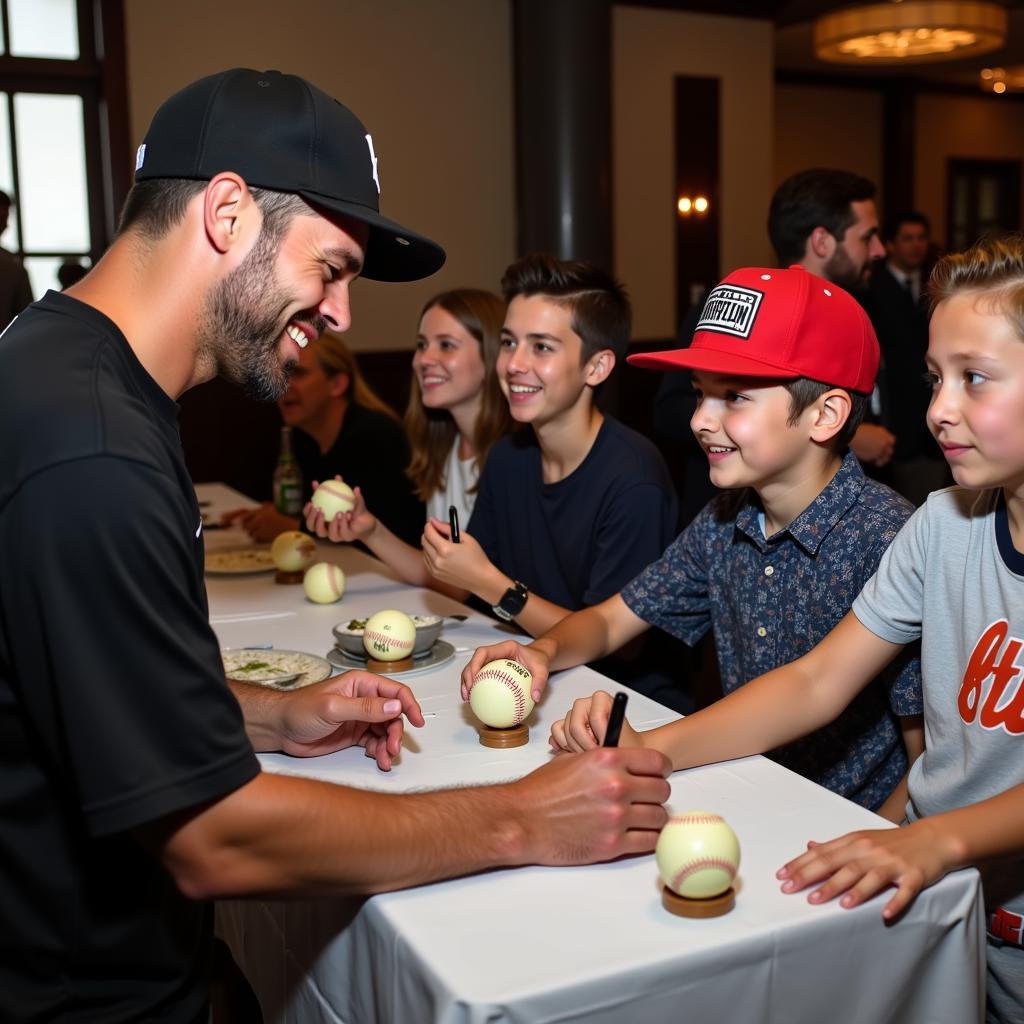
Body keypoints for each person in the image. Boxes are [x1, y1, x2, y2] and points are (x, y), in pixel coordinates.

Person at [0, 69, 671, 1022]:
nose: (343, 317)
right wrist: (527, 813)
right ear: (227, 213)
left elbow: (88, 684)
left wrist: (272, 716)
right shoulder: (92, 447)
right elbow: (214, 838)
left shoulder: (67, 369)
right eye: (332, 269)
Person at [550, 235, 1024, 1023]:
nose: (938, 409)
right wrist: (650, 751)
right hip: (951, 900)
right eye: (936, 378)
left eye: (974, 379)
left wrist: (932, 837)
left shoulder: (893, 521)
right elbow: (815, 681)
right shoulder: (942, 526)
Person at [465, 265, 923, 815]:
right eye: (699, 394)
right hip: (743, 791)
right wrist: (541, 652)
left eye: (734, 397)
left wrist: (879, 844)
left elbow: (925, 756)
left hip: (845, 822)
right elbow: (613, 619)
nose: (700, 420)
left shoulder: (888, 538)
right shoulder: (725, 516)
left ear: (824, 414)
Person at [420, 253, 686, 709]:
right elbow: (470, 583)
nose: (513, 364)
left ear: (596, 368)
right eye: (508, 342)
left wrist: (492, 584)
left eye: (541, 347)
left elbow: (621, 644)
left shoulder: (634, 480)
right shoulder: (507, 457)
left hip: (628, 704)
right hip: (533, 677)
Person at [653, 168, 894, 516]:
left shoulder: (863, 308)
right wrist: (851, 437)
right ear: (822, 241)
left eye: (735, 395)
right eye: (866, 236)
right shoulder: (733, 304)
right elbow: (668, 409)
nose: (878, 250)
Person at [307, 288, 513, 585]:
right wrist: (370, 530)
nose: (423, 359)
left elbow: (464, 588)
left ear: (492, 356)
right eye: (421, 344)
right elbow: (446, 580)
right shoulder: (444, 451)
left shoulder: (518, 459)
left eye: (446, 345)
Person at [222, 330, 424, 543]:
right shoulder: (303, 438)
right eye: (281, 373)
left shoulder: (376, 437)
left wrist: (289, 527)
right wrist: (267, 516)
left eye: (298, 373)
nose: (283, 385)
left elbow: (384, 532)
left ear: (336, 385)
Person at [865, 211, 952, 506]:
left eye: (921, 238)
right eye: (907, 238)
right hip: (890, 427)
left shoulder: (938, 283)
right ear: (890, 244)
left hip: (932, 428)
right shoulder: (871, 287)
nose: (916, 245)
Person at [0, 190, 33, 326]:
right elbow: (26, 321)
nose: (6, 226)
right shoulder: (13, 267)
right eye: (2, 220)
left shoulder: (13, 266)